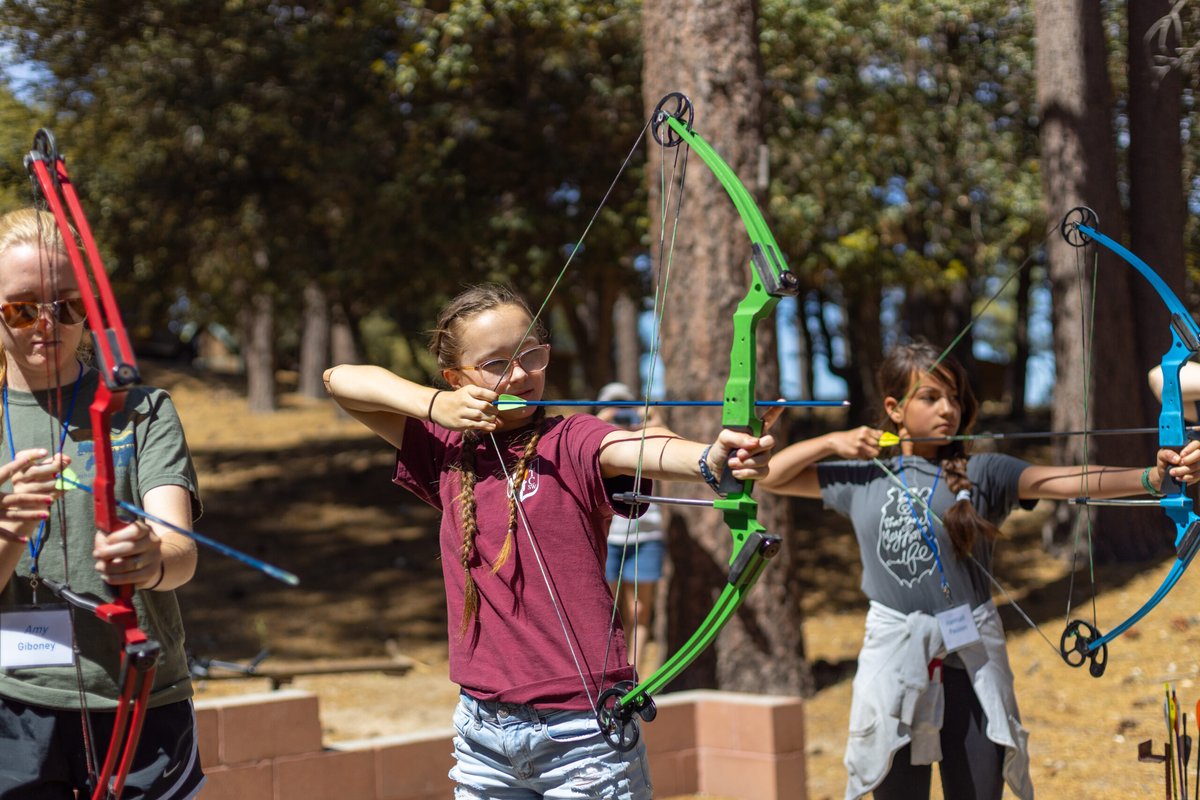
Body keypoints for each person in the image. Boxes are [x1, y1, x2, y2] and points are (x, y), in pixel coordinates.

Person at [323, 283, 777, 799]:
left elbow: (636, 448)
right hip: (481, 731)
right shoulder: (444, 448)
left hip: (583, 734)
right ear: (456, 378)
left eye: (531, 354)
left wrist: (712, 460)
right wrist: (435, 406)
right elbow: (340, 380)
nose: (520, 374)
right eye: (496, 364)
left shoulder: (572, 438)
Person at [759, 340, 1200, 800]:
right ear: (894, 409)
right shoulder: (863, 476)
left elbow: (1065, 481)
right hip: (894, 658)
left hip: (970, 661)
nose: (947, 409)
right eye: (930, 397)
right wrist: (831, 442)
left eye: (954, 397)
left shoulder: (983, 471)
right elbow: (770, 476)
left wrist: (1151, 478)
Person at [0, 209, 205, 799]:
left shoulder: (143, 411)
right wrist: (9, 531)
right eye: (22, 308)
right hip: (15, 705)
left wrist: (149, 557)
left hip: (140, 700)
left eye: (67, 306)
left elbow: (180, 553)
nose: (47, 324)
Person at [594, 382, 665, 675]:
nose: (621, 414)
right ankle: (609, 672)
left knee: (640, 611)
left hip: (647, 535)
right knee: (605, 610)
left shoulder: (645, 437)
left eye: (625, 407)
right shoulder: (595, 439)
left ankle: (636, 678)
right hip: (609, 536)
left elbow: (664, 441)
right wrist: (603, 422)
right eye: (614, 408)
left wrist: (651, 420)